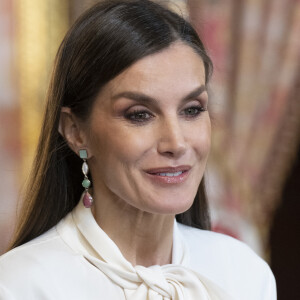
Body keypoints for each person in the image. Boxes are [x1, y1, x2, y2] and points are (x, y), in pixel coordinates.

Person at [0, 0, 276, 299]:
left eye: (192, 110)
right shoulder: (20, 285)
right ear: (75, 131)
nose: (177, 143)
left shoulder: (245, 273)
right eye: (139, 114)